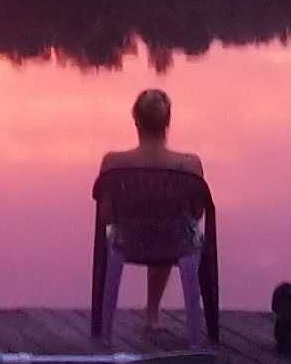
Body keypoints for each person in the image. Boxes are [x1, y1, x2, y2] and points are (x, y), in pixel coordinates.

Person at [88, 86, 220, 346]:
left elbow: (107, 216)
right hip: (177, 243)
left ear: (135, 120)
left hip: (128, 242)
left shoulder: (113, 164)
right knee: (172, 230)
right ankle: (154, 315)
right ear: (168, 121)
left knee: (154, 228)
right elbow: (196, 213)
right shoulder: (189, 165)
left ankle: (128, 323)